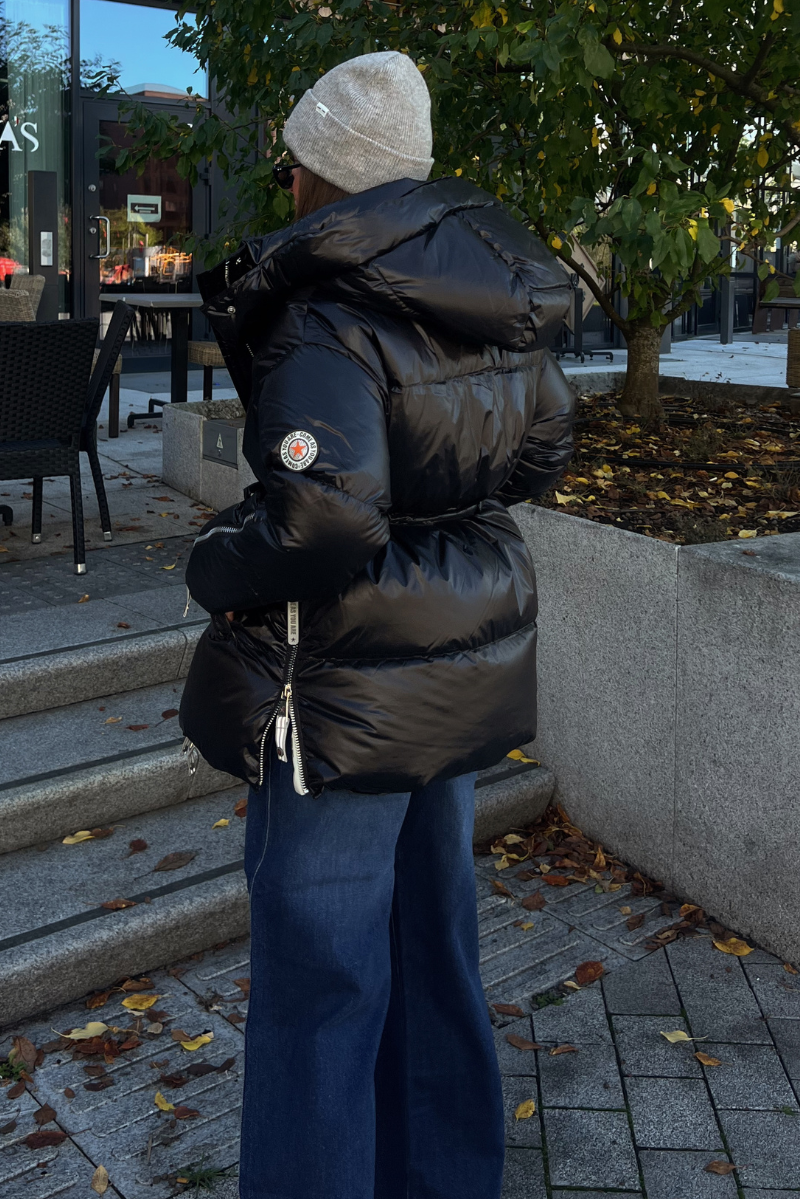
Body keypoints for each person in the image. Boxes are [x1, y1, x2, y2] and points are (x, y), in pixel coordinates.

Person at [180, 50, 575, 1200]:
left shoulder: (328, 314)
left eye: (292, 165)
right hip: (451, 673)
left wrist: (214, 565)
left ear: (322, 174)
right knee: (433, 947)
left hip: (344, 690)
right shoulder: (490, 291)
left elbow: (321, 521)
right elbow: (542, 453)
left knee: (320, 982)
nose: (287, 185)